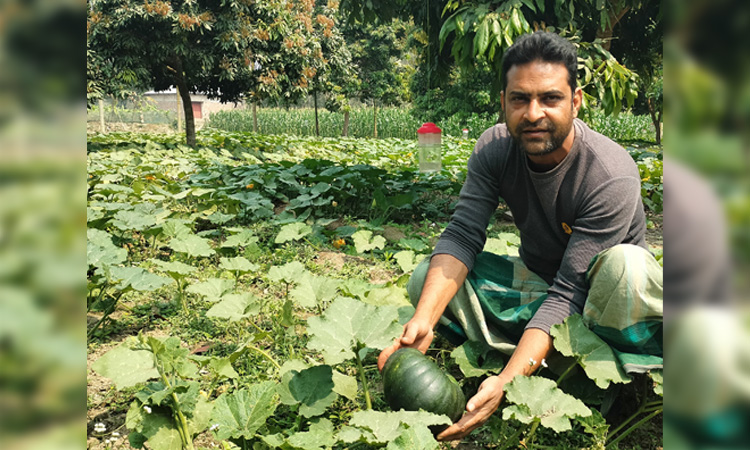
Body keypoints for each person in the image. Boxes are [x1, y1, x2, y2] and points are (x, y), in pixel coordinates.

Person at [377, 31, 663, 441]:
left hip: (606, 302)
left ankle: (625, 367)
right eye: (519, 99)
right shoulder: (494, 148)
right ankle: (546, 359)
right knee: (427, 281)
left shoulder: (609, 173)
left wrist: (507, 380)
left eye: (549, 98)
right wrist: (423, 319)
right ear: (503, 102)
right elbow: (462, 235)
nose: (533, 113)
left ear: (575, 101)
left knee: (627, 267)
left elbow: (570, 292)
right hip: (542, 285)